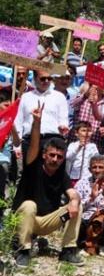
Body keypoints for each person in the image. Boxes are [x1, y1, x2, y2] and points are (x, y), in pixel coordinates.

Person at [12, 104, 83, 267]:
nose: (55, 159)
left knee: (78, 204)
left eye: (59, 156)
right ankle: (23, 250)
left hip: (46, 223)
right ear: (44, 155)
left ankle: (68, 250)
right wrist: (37, 123)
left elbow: (73, 192)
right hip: (26, 219)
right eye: (51, 155)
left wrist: (73, 201)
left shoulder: (60, 173)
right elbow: (34, 145)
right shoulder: (32, 165)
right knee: (29, 205)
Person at [14, 69, 70, 160]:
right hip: (29, 141)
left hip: (52, 141)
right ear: (35, 79)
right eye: (43, 78)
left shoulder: (59, 97)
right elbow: (18, 122)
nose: (46, 81)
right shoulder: (25, 97)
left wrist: (63, 126)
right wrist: (17, 146)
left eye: (49, 78)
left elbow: (63, 119)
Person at [74, 154, 104, 255]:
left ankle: (103, 244)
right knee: (76, 218)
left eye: (100, 167)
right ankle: (83, 243)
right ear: (89, 169)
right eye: (94, 167)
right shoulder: (81, 183)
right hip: (87, 217)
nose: (97, 170)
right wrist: (91, 198)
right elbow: (76, 207)